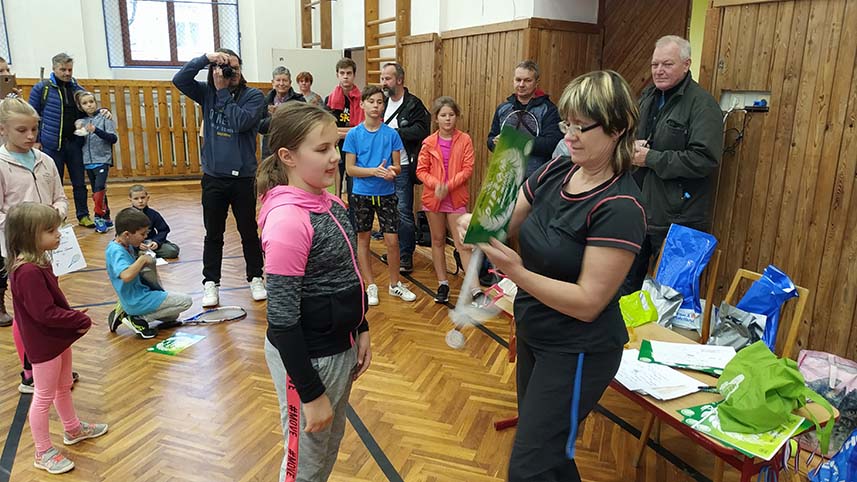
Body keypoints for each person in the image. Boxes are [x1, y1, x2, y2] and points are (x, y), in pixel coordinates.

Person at [465, 70, 646, 481]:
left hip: (578, 349)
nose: (571, 136)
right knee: (551, 459)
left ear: (617, 128)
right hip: (536, 331)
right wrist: (475, 226)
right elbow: (500, 223)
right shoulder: (556, 171)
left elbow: (587, 303)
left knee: (529, 468)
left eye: (582, 126)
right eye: (567, 124)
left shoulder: (620, 206)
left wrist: (516, 271)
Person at [257, 102, 371, 482]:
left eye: (335, 146)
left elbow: (347, 274)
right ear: (287, 157)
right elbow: (282, 320)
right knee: (303, 465)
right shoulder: (288, 221)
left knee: (324, 453)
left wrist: (361, 328)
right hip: (310, 359)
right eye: (322, 149)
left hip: (339, 346)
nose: (335, 157)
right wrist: (310, 393)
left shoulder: (331, 203)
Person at [6, 202, 108, 474]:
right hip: (44, 344)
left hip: (56, 339)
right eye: (50, 230)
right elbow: (44, 313)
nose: (58, 234)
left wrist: (71, 318)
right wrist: (78, 320)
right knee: (43, 396)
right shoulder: (27, 271)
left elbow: (51, 305)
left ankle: (73, 428)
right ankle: (42, 452)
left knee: (64, 386)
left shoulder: (39, 262)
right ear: (29, 235)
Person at [625, 35, 723, 294]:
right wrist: (631, 147)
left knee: (672, 298)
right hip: (640, 212)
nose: (659, 70)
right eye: (655, 64)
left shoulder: (703, 105)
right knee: (624, 290)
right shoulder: (648, 96)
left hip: (681, 219)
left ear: (686, 64)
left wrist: (651, 158)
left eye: (667, 64)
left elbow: (704, 159)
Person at [172, 48, 267, 307]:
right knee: (213, 233)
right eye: (225, 67)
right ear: (214, 70)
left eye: (234, 67)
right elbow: (179, 80)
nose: (230, 72)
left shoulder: (253, 96)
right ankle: (210, 282)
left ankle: (256, 277)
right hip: (214, 177)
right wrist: (205, 59)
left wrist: (223, 92)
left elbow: (240, 123)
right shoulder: (207, 92)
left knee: (248, 231)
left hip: (243, 178)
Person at [0, 98, 70, 394]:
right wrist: (29, 225)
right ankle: (30, 372)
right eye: (22, 130)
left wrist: (56, 215)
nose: (30, 136)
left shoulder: (46, 160)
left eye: (34, 129)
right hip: (19, 250)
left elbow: (60, 198)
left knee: (49, 306)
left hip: (47, 247)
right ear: (3, 130)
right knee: (27, 313)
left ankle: (51, 364)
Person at [343, 86, 417, 306]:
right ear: (362, 104)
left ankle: (395, 284)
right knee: (363, 239)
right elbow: (350, 169)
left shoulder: (391, 134)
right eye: (371, 101)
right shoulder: (354, 134)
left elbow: (397, 166)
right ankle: (370, 285)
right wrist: (373, 171)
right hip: (361, 194)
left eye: (379, 102)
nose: (376, 106)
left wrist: (391, 172)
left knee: (392, 241)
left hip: (386, 194)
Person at [416, 96, 474, 303]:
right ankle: (443, 284)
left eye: (451, 115)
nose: (448, 119)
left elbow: (467, 169)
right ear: (436, 118)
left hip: (455, 198)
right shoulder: (428, 143)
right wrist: (436, 185)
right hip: (434, 198)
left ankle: (474, 288)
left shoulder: (465, 140)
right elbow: (421, 171)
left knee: (463, 243)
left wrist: (447, 186)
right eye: (443, 115)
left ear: (456, 117)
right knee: (438, 240)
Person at [28, 53, 94, 228]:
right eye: (63, 69)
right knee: (52, 185)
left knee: (79, 183)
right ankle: (56, 218)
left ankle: (83, 215)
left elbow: (89, 111)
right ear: (54, 68)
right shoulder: (42, 89)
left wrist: (102, 112)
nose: (67, 73)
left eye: (70, 69)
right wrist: (36, 141)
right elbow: (32, 115)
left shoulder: (77, 89)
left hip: (74, 144)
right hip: (51, 145)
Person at [105, 207, 192, 339]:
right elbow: (126, 276)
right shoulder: (116, 251)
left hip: (138, 294)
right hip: (137, 300)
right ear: (127, 234)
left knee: (173, 315)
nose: (145, 237)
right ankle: (137, 318)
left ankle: (124, 311)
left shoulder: (124, 244)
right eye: (142, 234)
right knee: (186, 301)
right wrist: (142, 260)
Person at [379, 62, 430, 274]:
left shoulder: (413, 104)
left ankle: (406, 255)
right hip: (381, 167)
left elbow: (422, 130)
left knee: (403, 211)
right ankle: (394, 252)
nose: (383, 82)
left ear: (399, 80)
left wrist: (396, 133)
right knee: (387, 211)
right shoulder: (381, 102)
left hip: (403, 165)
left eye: (387, 78)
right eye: (382, 78)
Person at [487, 60, 563, 177]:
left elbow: (552, 143)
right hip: (504, 176)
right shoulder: (503, 109)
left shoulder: (549, 110)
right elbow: (491, 138)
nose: (521, 84)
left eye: (527, 80)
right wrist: (495, 143)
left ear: (536, 82)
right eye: (518, 80)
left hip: (534, 178)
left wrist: (516, 141)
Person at [74, 91, 117, 234]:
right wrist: (79, 131)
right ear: (80, 106)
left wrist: (95, 130)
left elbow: (113, 138)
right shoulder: (81, 121)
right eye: (85, 103)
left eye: (91, 101)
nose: (89, 105)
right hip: (88, 161)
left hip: (102, 160)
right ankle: (107, 217)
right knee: (98, 190)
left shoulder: (105, 117)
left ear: (96, 102)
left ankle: (98, 217)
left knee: (99, 188)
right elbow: (79, 143)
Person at [324, 58, 364, 199]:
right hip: (335, 146)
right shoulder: (329, 99)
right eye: (342, 73)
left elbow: (363, 129)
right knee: (335, 185)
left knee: (354, 186)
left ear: (354, 75)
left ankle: (354, 212)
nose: (345, 76)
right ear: (337, 75)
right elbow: (327, 128)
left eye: (349, 73)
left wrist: (339, 132)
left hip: (356, 146)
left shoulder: (362, 99)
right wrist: (350, 132)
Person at [259, 66, 305, 158]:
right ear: (272, 82)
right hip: (270, 150)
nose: (281, 83)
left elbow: (303, 125)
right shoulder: (265, 101)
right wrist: (274, 117)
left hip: (292, 147)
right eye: (278, 80)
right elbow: (259, 126)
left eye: (284, 80)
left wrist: (281, 113)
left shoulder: (299, 100)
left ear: (290, 82)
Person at [129, 184, 180, 259]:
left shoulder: (153, 214)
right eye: (136, 199)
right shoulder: (127, 215)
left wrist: (156, 242)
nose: (140, 201)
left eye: (143, 198)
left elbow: (164, 229)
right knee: (128, 253)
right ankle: (143, 255)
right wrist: (136, 244)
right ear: (130, 200)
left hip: (150, 243)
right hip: (134, 245)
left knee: (172, 252)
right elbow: (121, 235)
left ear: (148, 198)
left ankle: (147, 254)